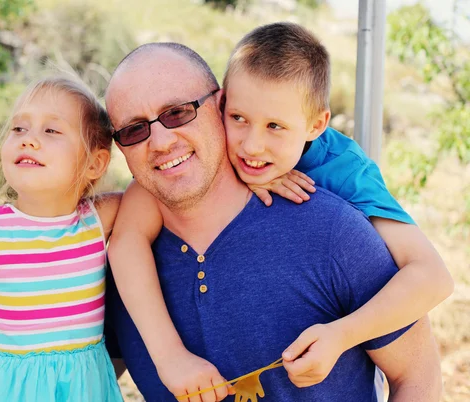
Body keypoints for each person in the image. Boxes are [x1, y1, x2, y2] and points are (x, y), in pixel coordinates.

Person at [0, 42, 443, 402]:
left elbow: (419, 380)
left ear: (222, 106)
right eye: (134, 130)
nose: (159, 142)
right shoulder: (113, 261)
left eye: (178, 113)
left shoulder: (329, 226)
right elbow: (75, 369)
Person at [106, 23, 452, 399]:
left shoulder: (339, 201)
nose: (254, 147)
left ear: (214, 103)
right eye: (133, 130)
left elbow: (425, 334)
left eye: (176, 113)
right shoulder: (127, 254)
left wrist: (343, 333)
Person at [0, 75, 124, 402]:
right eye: (19, 128)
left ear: (94, 163)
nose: (28, 139)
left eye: (51, 130)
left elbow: (150, 194)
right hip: (4, 390)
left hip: (83, 390)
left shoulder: (98, 221)